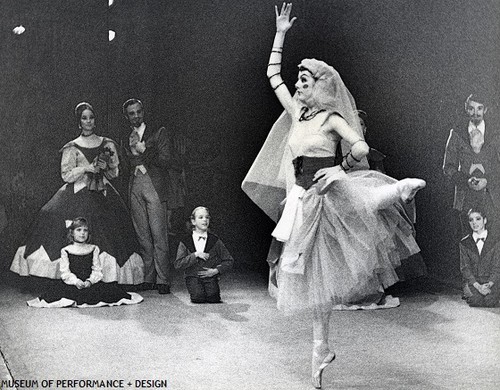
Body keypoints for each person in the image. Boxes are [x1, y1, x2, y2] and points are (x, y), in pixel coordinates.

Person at [241, 4, 426, 388]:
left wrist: (339, 168)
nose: (298, 86)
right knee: (313, 283)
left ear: (321, 87)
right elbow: (272, 74)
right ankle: (320, 354)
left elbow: (361, 147)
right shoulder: (297, 114)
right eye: (300, 82)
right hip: (300, 201)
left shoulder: (329, 119)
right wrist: (280, 33)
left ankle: (398, 189)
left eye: (305, 81)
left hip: (326, 191)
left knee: (362, 199)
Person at [10, 102, 144, 286]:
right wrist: (86, 168)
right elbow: (66, 175)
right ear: (79, 122)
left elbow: (114, 173)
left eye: (91, 117)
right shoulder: (72, 146)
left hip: (102, 191)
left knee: (110, 220)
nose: (88, 121)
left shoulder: (107, 144)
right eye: (84, 118)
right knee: (50, 214)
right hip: (77, 190)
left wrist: (105, 169)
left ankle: (105, 275)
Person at [27, 218, 143, 308]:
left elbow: (97, 270)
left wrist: (90, 281)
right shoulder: (66, 250)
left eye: (85, 230)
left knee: (111, 292)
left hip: (90, 283)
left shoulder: (93, 248)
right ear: (72, 233)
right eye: (79, 230)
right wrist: (76, 281)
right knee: (56, 294)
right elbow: (65, 272)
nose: (82, 233)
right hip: (73, 284)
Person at [122, 98, 174, 294]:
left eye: (139, 112)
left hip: (154, 184)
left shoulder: (159, 132)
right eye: (132, 113)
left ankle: (163, 279)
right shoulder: (126, 136)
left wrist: (145, 150)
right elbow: (125, 165)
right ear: (126, 116)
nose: (136, 116)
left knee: (159, 233)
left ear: (143, 112)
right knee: (142, 234)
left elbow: (166, 160)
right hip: (135, 185)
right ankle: (148, 277)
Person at [443, 93, 500, 233]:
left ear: (485, 110)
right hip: (465, 198)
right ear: (466, 109)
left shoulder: (496, 134)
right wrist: (466, 181)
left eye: (479, 109)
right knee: (468, 241)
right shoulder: (457, 134)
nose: (476, 113)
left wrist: (488, 180)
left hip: (491, 198)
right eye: (472, 109)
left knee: (493, 242)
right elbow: (448, 167)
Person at [174, 206, 234, 303]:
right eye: (201, 217)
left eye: (207, 217)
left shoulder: (215, 240)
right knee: (198, 297)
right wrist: (195, 255)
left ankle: (211, 288)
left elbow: (229, 260)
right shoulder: (185, 241)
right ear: (193, 221)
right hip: (193, 276)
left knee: (214, 298)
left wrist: (215, 271)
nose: (205, 220)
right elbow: (178, 264)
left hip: (210, 276)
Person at [460, 208, 500, 308]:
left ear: (484, 220)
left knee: (490, 301)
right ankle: (469, 294)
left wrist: (489, 284)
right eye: (471, 220)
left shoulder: (495, 241)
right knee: (476, 301)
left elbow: (497, 266)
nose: (474, 223)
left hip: (491, 281)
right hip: (473, 282)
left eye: (478, 219)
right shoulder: (464, 243)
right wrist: (477, 286)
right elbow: (465, 268)